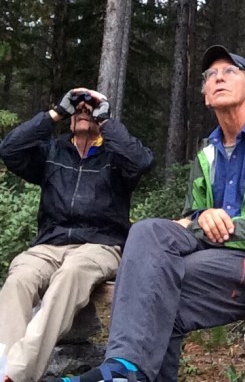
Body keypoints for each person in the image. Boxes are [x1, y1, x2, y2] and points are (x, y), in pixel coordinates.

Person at [51, 46, 245, 382]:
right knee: (147, 232)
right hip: (218, 264)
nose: (219, 78)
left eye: (230, 71)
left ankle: (125, 370)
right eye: (211, 75)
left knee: (164, 281)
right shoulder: (208, 153)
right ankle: (124, 368)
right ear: (206, 95)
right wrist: (201, 217)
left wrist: (204, 226)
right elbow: (190, 215)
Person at [0, 88, 155, 382]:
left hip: (101, 244)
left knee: (71, 272)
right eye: (77, 109)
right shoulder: (53, 153)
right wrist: (55, 113)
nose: (83, 112)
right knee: (20, 277)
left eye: (91, 110)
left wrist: (106, 120)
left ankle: (15, 374)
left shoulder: (116, 156)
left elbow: (142, 161)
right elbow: (9, 149)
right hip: (50, 244)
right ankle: (0, 364)